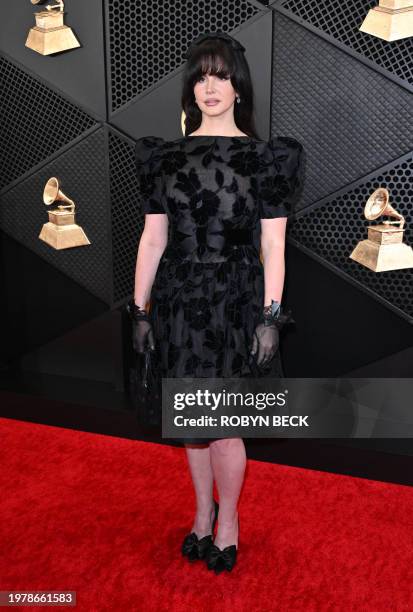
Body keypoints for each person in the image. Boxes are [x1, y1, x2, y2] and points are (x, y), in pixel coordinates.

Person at [130, 31, 304, 574]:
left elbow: (273, 243)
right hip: (180, 299)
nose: (211, 87)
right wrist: (140, 311)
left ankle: (228, 520)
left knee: (225, 424)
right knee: (192, 424)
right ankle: (201, 513)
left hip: (236, 299)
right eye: (201, 76)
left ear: (238, 87)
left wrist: (271, 316)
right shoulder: (164, 158)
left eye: (222, 76)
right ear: (191, 87)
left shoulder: (267, 159)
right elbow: (153, 239)